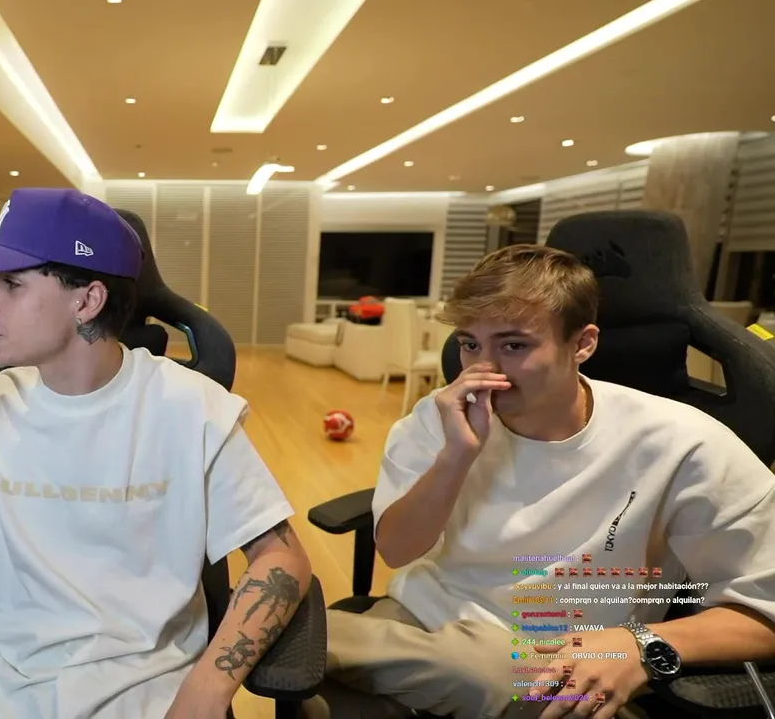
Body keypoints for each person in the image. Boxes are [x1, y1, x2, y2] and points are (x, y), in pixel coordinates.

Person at [0, 187, 313, 718]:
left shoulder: (191, 408)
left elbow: (282, 557)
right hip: (6, 703)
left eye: (11, 283)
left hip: (157, 702)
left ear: (86, 301)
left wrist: (206, 689)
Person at [305, 244, 775, 719]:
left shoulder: (684, 444)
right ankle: (316, 639)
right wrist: (457, 457)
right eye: (470, 344)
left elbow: (764, 613)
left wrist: (638, 642)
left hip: (560, 655)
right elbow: (396, 550)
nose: (485, 370)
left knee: (485, 677)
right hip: (420, 620)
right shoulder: (439, 420)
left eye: (514, 346)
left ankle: (311, 634)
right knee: (318, 705)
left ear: (583, 344)